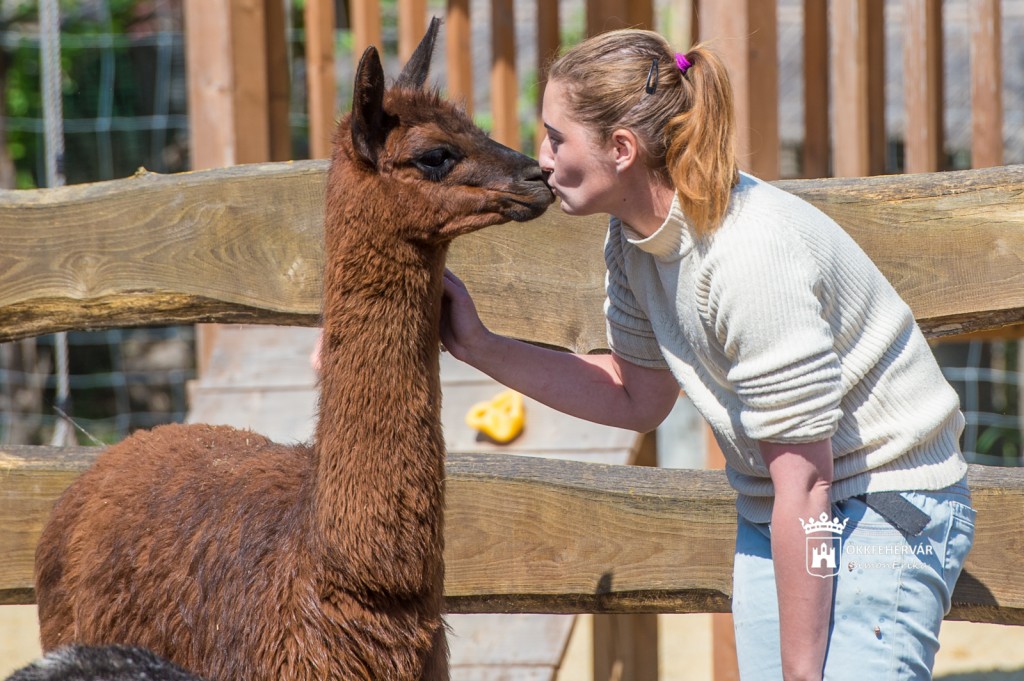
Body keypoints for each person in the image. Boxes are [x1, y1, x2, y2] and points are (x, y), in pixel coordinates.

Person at [439, 29, 974, 681]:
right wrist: (479, 345)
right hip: (782, 504)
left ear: (622, 149)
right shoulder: (635, 241)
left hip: (881, 500)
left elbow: (807, 481)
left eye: (556, 138)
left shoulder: (747, 256)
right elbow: (635, 396)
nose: (542, 159)